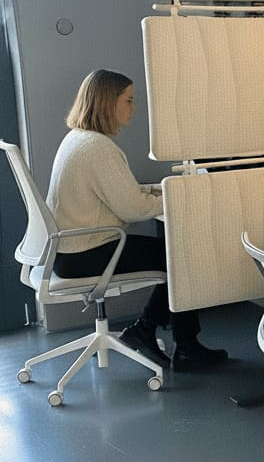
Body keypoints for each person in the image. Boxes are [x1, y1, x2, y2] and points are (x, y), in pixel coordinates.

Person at [46, 69, 227, 372]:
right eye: (128, 100)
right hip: (90, 252)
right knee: (183, 258)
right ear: (107, 103)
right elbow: (132, 209)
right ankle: (179, 344)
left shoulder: (78, 140)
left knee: (175, 256)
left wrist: (160, 189)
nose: (134, 107)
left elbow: (116, 190)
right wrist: (176, 200)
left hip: (71, 252)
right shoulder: (99, 148)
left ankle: (154, 332)